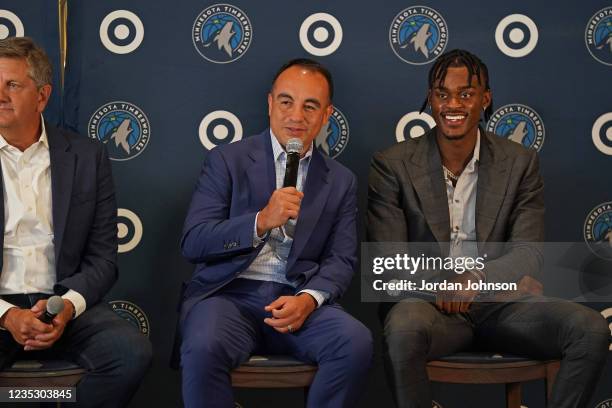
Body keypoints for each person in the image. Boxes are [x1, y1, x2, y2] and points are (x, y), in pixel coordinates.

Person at [367, 49, 609, 408]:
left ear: (485, 98)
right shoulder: (392, 165)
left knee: (590, 328)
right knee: (403, 328)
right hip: (428, 308)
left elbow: (528, 252)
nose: (454, 104)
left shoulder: (520, 162)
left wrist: (480, 280)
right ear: (430, 99)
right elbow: (390, 262)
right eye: (442, 93)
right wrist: (447, 286)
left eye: (466, 94)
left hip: (502, 306)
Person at [180, 58, 372, 408]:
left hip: (298, 301)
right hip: (230, 297)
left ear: (326, 115)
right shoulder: (227, 160)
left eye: (310, 106)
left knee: (354, 341)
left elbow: (341, 259)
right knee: (203, 344)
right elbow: (194, 240)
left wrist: (309, 299)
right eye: (286, 102)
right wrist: (260, 221)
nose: (296, 116)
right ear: (270, 104)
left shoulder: (341, 180)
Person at [0, 37, 151, 407]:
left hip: (63, 304)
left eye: (12, 85)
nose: (0, 95)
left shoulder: (87, 157)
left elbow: (103, 258)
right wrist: (7, 316)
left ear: (42, 96)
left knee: (131, 353)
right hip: (0, 308)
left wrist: (67, 307)